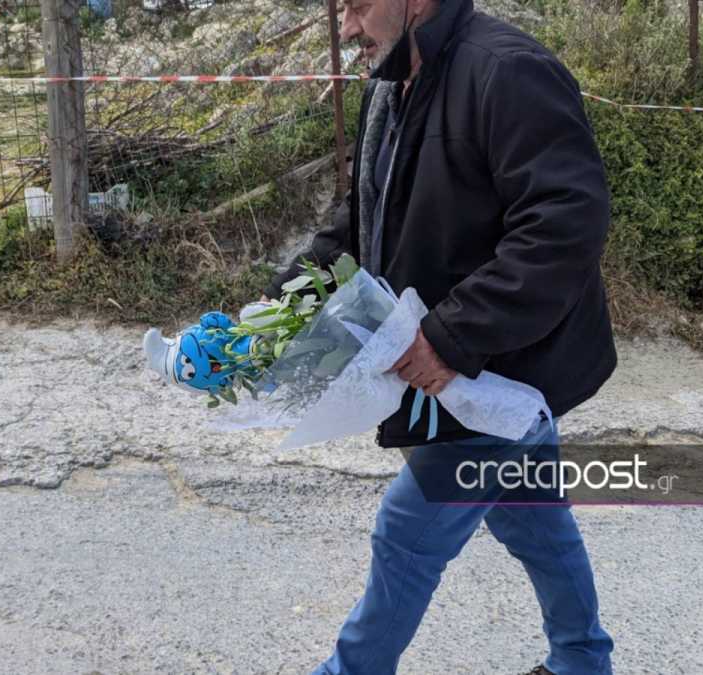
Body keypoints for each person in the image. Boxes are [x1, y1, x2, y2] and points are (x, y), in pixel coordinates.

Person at [262, 1, 618, 673]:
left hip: (493, 373)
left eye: (359, 5)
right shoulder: (394, 82)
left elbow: (564, 224)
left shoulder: (507, 72)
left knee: (407, 532)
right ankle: (582, 659)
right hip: (468, 379)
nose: (346, 27)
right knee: (532, 520)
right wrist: (278, 307)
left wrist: (448, 337)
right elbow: (362, 218)